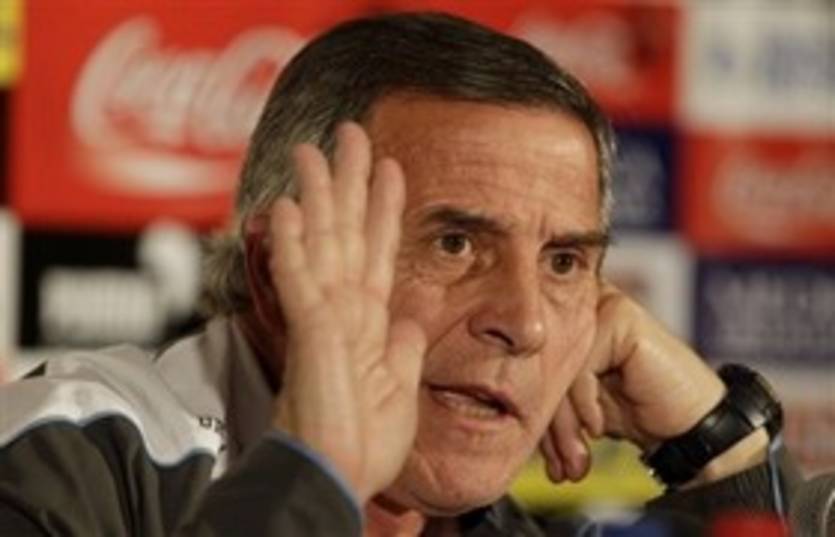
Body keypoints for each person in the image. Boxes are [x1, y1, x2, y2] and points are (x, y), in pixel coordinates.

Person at [0, 12, 799, 536]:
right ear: (278, 270)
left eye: (563, 261)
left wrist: (718, 452)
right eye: (454, 244)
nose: (524, 320)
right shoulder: (60, 465)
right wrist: (315, 470)